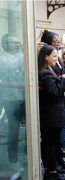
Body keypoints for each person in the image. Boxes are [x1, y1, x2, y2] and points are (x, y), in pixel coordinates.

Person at [38, 45, 65, 180]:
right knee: (49, 144)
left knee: (50, 143)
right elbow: (54, 93)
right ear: (46, 57)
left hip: (51, 114)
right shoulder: (46, 72)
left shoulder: (48, 70)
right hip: (51, 115)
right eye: (54, 56)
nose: (56, 58)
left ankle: (50, 169)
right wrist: (64, 79)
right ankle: (51, 172)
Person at [0, 33, 25, 171]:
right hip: (11, 99)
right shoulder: (3, 59)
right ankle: (13, 160)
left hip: (23, 97)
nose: (16, 44)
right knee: (14, 131)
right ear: (5, 45)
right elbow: (17, 63)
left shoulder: (19, 56)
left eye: (17, 42)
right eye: (12, 42)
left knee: (29, 131)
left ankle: (25, 155)